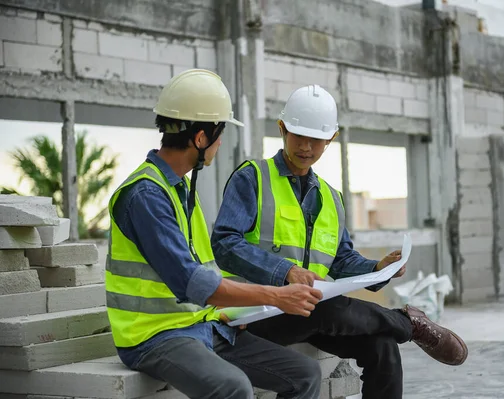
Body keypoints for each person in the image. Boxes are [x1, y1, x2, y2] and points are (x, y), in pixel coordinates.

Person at [211, 84, 469, 398]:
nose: (306, 147)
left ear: (330, 139)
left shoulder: (331, 198)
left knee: (383, 345)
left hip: (307, 314)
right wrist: (286, 273)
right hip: (253, 315)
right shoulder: (253, 178)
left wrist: (377, 268)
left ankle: (400, 327)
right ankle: (408, 324)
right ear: (282, 129)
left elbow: (342, 260)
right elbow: (224, 244)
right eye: (299, 136)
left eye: (316, 139)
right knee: (321, 305)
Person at [105, 69, 326, 399]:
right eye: (219, 133)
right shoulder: (146, 196)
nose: (221, 142)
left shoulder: (178, 188)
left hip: (201, 325)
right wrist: (276, 295)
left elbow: (203, 271)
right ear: (200, 138)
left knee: (305, 374)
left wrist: (232, 310)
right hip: (154, 336)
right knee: (233, 387)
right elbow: (191, 282)